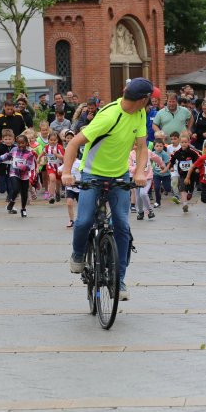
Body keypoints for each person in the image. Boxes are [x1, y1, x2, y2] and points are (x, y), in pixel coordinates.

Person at [63, 78, 153, 302]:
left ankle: (119, 279)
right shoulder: (108, 116)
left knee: (122, 225)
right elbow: (73, 143)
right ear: (143, 99)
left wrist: (139, 173)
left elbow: (142, 147)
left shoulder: (140, 114)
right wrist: (66, 172)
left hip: (120, 174)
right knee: (84, 220)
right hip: (92, 173)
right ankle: (78, 254)